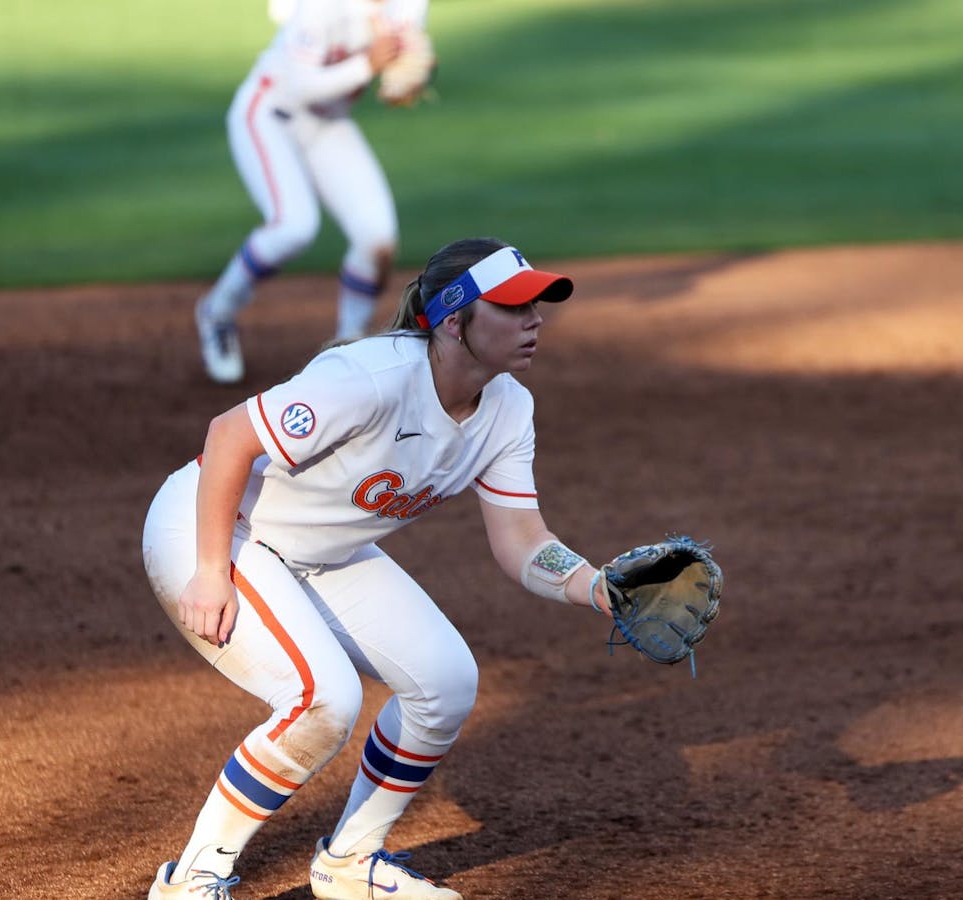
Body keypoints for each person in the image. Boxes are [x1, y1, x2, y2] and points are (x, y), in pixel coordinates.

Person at [143, 238, 614, 899]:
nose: (534, 319)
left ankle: (348, 867)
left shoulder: (508, 410)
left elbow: (523, 540)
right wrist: (210, 571)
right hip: (218, 527)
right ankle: (191, 882)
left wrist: (598, 585)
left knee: (445, 683)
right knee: (322, 700)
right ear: (454, 321)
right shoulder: (370, 378)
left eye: (537, 305)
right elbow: (229, 435)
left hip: (319, 553)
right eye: (513, 307)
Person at [193, 0, 434, 384]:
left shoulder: (410, 4)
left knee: (377, 238)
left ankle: (349, 350)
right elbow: (301, 84)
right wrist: (367, 65)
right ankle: (217, 312)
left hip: (329, 123)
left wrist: (408, 72)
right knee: (293, 226)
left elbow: (408, 50)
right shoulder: (322, 6)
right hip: (269, 113)